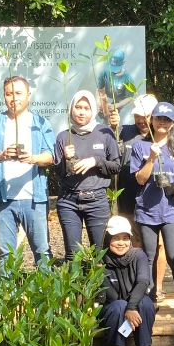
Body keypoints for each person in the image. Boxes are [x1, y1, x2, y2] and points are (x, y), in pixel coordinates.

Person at [0, 76, 56, 264]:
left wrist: (33, 158)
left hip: (34, 199)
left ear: (29, 95)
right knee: (6, 254)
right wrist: (1, 156)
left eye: (19, 93)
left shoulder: (41, 123)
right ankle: (7, 293)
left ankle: (46, 293)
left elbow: (52, 156)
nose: (14, 98)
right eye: (9, 94)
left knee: (42, 251)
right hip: (2, 200)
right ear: (4, 96)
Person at [129, 102, 174, 320]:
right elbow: (139, 178)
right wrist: (151, 158)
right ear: (152, 120)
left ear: (173, 123)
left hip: (173, 211)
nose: (162, 123)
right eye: (158, 118)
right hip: (147, 211)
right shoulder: (140, 147)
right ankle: (151, 300)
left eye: (167, 119)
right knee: (148, 257)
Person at [110, 94, 170, 294]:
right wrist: (113, 126)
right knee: (134, 244)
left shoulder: (162, 135)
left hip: (154, 203)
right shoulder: (125, 131)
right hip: (128, 201)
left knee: (158, 245)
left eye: (146, 116)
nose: (141, 120)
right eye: (138, 116)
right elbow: (109, 144)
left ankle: (158, 287)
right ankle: (138, 285)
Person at [54, 90, 121, 253]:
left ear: (93, 110)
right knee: (72, 254)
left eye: (86, 108)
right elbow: (60, 173)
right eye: (78, 107)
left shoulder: (105, 133)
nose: (82, 112)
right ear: (71, 109)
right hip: (68, 200)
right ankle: (75, 279)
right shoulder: (63, 136)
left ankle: (98, 280)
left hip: (97, 200)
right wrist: (64, 158)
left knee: (100, 253)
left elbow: (116, 166)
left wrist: (95, 161)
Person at [98, 216, 156, 346]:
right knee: (119, 305)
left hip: (134, 305)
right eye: (116, 238)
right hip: (112, 308)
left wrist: (131, 307)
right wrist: (127, 308)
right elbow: (109, 294)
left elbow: (143, 282)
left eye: (125, 238)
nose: (121, 243)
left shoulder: (138, 255)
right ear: (108, 240)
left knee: (146, 303)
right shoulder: (101, 260)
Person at [98, 48, 136, 118]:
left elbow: (130, 97)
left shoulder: (128, 78)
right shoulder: (104, 73)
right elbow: (100, 90)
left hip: (121, 105)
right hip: (107, 104)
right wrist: (102, 103)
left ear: (123, 62)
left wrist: (116, 106)